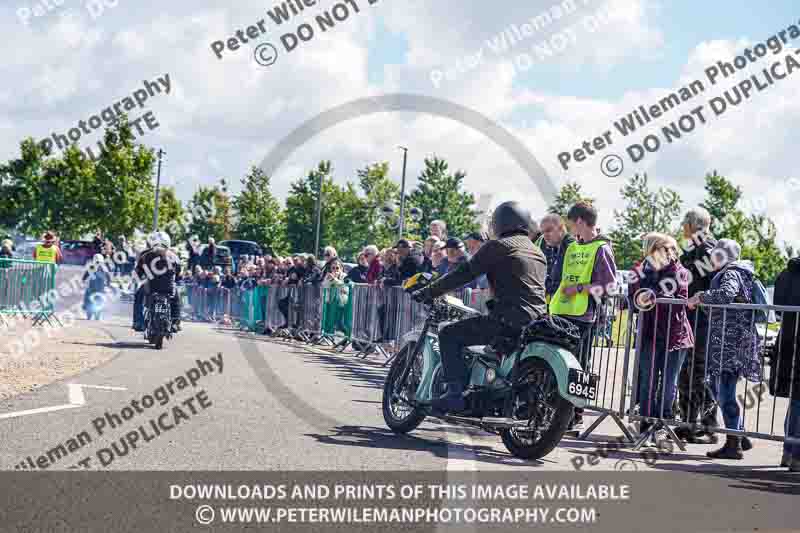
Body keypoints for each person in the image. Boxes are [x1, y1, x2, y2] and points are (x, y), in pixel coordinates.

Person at [412, 201, 547, 413]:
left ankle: (455, 394)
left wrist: (429, 291)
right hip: (536, 322)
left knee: (448, 333)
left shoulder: (499, 246)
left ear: (500, 222)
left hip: (507, 320)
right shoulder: (537, 252)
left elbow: (464, 273)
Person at [687, 239, 761, 460]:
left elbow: (725, 295)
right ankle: (739, 435)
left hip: (729, 343)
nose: (711, 259)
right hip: (734, 340)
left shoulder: (731, 272)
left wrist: (700, 297)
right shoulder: (741, 271)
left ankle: (733, 444)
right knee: (719, 388)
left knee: (725, 392)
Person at [549, 202, 617, 430]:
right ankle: (556, 413)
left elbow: (609, 287)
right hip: (562, 312)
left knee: (579, 366)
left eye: (570, 223)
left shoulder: (602, 248)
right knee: (560, 364)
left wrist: (580, 289)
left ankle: (575, 415)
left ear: (579, 221)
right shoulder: (573, 247)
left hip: (584, 317)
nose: (569, 229)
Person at [628, 233, 694, 448]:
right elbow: (633, 298)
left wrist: (653, 297)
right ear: (651, 250)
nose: (670, 252)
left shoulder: (679, 271)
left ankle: (662, 426)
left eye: (671, 249)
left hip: (675, 335)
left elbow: (680, 300)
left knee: (668, 384)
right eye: (664, 249)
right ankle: (645, 426)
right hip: (649, 334)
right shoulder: (640, 271)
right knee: (647, 381)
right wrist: (638, 292)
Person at [676, 206, 719, 444]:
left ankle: (710, 427)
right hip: (691, 321)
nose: (682, 227)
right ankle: (687, 423)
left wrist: (699, 298)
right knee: (687, 373)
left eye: (685, 223)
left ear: (693, 225)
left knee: (699, 373)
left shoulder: (708, 247)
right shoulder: (693, 248)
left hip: (703, 322)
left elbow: (714, 284)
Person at [771, 256, 800, 472]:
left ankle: (789, 452)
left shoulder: (785, 273)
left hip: (788, 339)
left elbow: (778, 309)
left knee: (796, 400)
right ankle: (795, 455)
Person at [132, 231, 181, 333]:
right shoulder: (174, 256)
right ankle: (175, 322)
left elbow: (138, 272)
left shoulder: (145, 255)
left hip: (151, 286)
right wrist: (175, 280)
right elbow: (178, 272)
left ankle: (138, 322)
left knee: (138, 295)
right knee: (176, 298)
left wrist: (138, 278)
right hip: (169, 287)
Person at [538, 214, 576, 302]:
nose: (545, 236)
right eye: (543, 232)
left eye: (548, 230)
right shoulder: (551, 248)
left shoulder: (572, 247)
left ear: (561, 228)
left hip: (568, 304)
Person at [83, 254, 111, 320]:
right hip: (100, 288)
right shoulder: (104, 268)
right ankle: (95, 312)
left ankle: (88, 309)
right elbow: (108, 277)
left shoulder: (92, 267)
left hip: (94, 288)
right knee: (99, 298)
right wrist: (108, 284)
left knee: (87, 297)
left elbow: (85, 276)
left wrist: (83, 280)